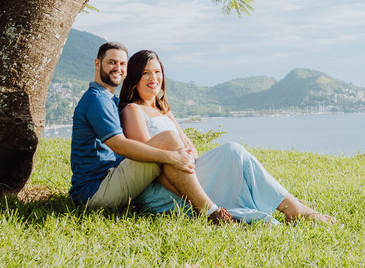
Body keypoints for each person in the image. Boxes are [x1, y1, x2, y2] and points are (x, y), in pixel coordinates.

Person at [119, 49, 335, 225]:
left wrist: (191, 158)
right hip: (169, 187)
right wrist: (189, 190)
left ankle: (292, 206)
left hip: (188, 172)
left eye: (157, 72)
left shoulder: (164, 109)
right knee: (233, 151)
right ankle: (295, 209)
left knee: (235, 157)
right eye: (146, 73)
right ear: (135, 77)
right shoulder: (133, 110)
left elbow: (189, 147)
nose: (153, 78)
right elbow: (146, 162)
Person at [69, 41, 237, 224]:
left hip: (111, 177)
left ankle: (201, 199)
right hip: (95, 192)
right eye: (112, 62)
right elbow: (119, 145)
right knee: (167, 139)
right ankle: (211, 212)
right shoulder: (97, 100)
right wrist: (170, 156)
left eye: (122, 64)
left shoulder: (110, 100)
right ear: (97, 63)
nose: (117, 68)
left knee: (169, 141)